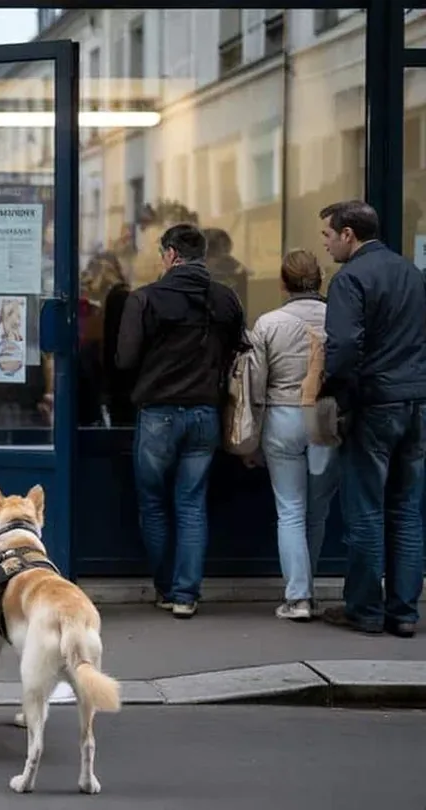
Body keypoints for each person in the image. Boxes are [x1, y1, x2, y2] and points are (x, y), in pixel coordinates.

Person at [116, 223, 245, 619]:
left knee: (153, 505)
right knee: (192, 505)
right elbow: (238, 350)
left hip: (158, 413)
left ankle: (166, 588)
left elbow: (125, 360)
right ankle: (186, 596)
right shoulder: (225, 298)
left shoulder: (144, 299)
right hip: (205, 413)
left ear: (171, 254)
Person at [318, 200, 426, 638]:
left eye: (328, 235)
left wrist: (338, 397)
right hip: (416, 401)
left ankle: (364, 609)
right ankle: (404, 612)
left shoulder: (350, 279)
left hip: (374, 404)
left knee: (365, 511)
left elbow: (343, 347)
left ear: (348, 234)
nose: (326, 245)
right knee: (407, 510)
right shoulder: (412, 274)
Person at [249, 249, 339, 621]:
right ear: (320, 279)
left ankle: (298, 597)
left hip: (281, 415)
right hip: (324, 416)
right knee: (317, 512)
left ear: (282, 283)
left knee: (290, 510)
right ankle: (309, 591)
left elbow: (256, 383)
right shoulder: (338, 317)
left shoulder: (268, 323)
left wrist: (251, 436)